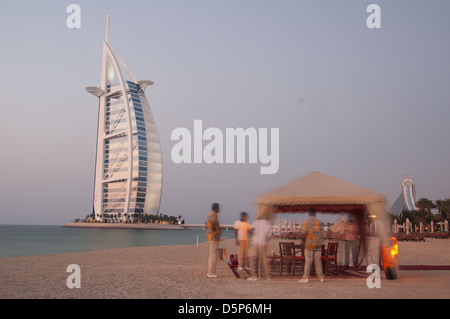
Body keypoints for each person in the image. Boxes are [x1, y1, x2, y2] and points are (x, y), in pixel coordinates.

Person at [299, 208, 325, 283]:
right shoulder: (319, 222)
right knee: (318, 261)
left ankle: (305, 278)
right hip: (318, 245)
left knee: (308, 261)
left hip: (309, 245)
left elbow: (304, 232)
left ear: (309, 213)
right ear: (315, 214)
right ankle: (321, 278)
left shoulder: (306, 221)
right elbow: (323, 233)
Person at [247, 216, 272, 281]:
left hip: (256, 243)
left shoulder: (256, 222)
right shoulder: (267, 223)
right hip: (263, 244)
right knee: (263, 260)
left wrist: (252, 233)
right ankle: (266, 276)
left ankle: (254, 276)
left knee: (252, 259)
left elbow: (250, 230)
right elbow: (269, 235)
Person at [206, 203, 221, 278]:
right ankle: (210, 273)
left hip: (212, 238)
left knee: (212, 254)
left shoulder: (210, 215)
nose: (220, 209)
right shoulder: (213, 215)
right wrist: (214, 229)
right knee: (213, 255)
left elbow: (206, 224)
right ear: (216, 208)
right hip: (213, 238)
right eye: (219, 207)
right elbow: (212, 223)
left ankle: (211, 272)